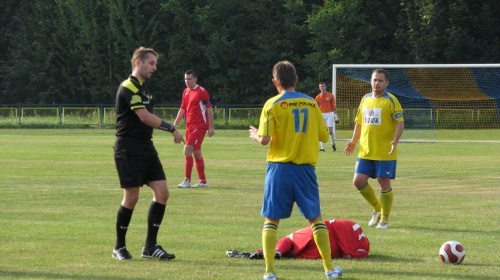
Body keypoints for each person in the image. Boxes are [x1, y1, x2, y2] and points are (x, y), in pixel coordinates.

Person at [249, 61, 343, 280]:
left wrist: (255, 136)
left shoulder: (272, 104)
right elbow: (323, 136)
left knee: (271, 220)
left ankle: (270, 272)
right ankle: (329, 269)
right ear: (297, 80)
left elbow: (264, 140)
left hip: (279, 168)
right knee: (316, 219)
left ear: (275, 82)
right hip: (305, 169)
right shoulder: (311, 103)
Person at [112, 47, 185, 261]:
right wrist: (171, 127)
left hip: (146, 147)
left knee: (162, 193)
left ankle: (150, 247)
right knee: (131, 197)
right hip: (128, 148)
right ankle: (119, 247)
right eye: (151, 63)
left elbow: (147, 119)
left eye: (155, 63)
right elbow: (144, 117)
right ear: (138, 62)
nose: (155, 67)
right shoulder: (128, 87)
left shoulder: (145, 90)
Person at [343, 69, 404, 229]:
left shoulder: (391, 100)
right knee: (358, 181)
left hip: (385, 152)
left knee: (383, 183)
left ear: (386, 83)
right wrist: (353, 141)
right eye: (374, 80)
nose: (376, 83)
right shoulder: (365, 100)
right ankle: (377, 208)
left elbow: (400, 122)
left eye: (380, 80)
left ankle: (384, 219)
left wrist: (395, 141)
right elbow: (359, 123)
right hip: (365, 151)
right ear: (370, 81)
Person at [226, 219, 369, 260]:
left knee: (290, 240)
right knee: (291, 244)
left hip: (322, 231)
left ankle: (273, 253)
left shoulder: (354, 230)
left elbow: (348, 254)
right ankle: (273, 253)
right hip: (325, 233)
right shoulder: (357, 235)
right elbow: (348, 255)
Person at [174, 70, 215, 188]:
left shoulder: (201, 92)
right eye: (185, 79)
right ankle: (203, 181)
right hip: (189, 126)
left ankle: (187, 180)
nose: (187, 81)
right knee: (196, 154)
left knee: (187, 151)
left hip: (199, 126)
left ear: (195, 79)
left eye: (189, 79)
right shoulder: (186, 92)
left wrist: (211, 127)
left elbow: (209, 109)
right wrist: (175, 124)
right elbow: (182, 108)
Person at [315, 82, 339, 152]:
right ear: (319, 88)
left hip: (329, 114)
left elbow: (333, 107)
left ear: (326, 87)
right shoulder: (317, 97)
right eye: (321, 86)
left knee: (330, 131)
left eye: (323, 86)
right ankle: (322, 147)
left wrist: (336, 116)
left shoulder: (330, 95)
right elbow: (316, 108)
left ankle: (333, 143)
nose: (322, 88)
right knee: (321, 131)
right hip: (321, 114)